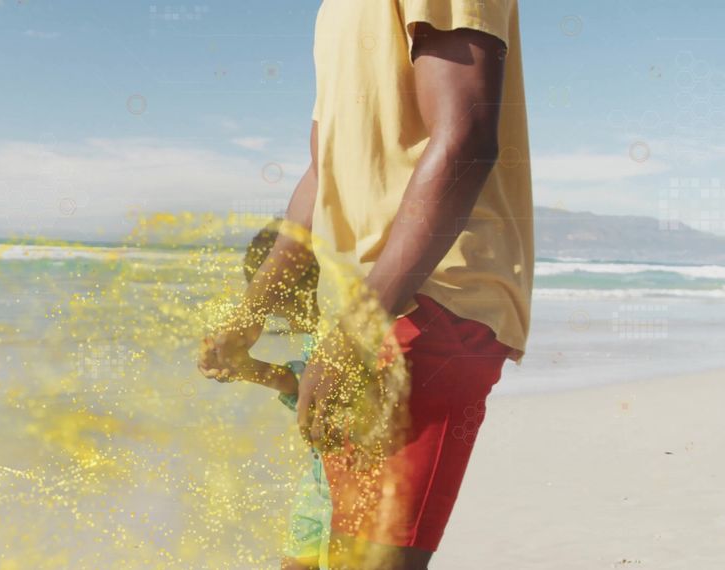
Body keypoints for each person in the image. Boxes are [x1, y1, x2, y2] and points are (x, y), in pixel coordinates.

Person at [205, 1, 535, 568]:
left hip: (427, 297)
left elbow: (465, 140)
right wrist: (253, 310)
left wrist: (358, 330)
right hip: (361, 309)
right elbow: (322, 170)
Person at [198, 219, 332, 570]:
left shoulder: (341, 336)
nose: (281, 319)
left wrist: (250, 369)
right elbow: (301, 385)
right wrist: (245, 367)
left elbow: (309, 391)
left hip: (345, 485)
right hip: (317, 481)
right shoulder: (315, 334)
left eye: (280, 308)